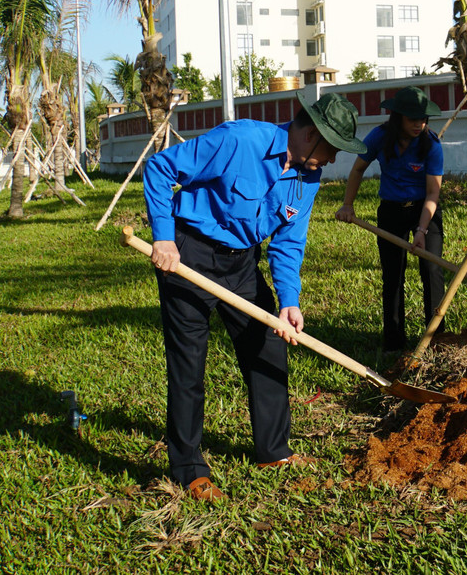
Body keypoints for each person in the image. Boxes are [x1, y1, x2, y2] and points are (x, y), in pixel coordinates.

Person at [142, 92, 368, 501]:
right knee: (189, 362)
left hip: (242, 265)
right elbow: (160, 168)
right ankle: (188, 468)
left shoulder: (308, 177)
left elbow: (289, 242)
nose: (334, 159)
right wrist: (163, 237)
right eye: (333, 148)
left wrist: (288, 300)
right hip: (189, 254)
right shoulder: (240, 140)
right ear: (311, 136)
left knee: (267, 346)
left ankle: (273, 452)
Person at [335, 86, 445, 353]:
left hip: (424, 210)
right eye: (412, 119)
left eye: (423, 119)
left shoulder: (431, 144)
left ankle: (437, 340)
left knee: (431, 271)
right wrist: (347, 205)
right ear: (398, 117)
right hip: (391, 211)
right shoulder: (380, 137)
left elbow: (433, 193)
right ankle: (394, 343)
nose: (419, 124)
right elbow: (358, 169)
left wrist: (422, 230)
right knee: (393, 275)